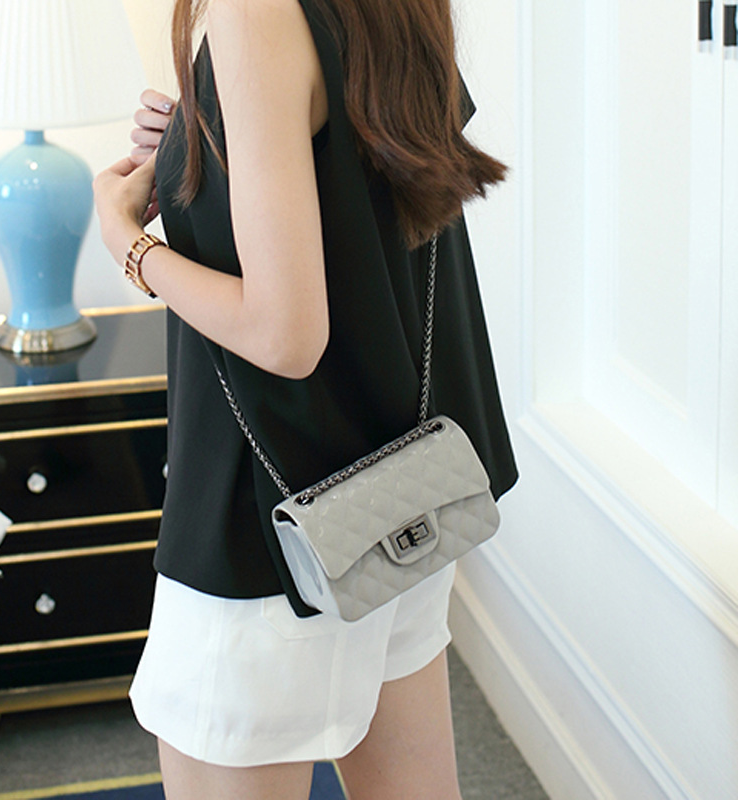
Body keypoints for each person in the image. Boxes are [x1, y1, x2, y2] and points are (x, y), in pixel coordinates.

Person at [93, 0, 518, 797]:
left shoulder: (254, 12)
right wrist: (206, 142)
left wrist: (129, 243)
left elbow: (285, 334)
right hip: (392, 501)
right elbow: (355, 184)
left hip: (272, 534)